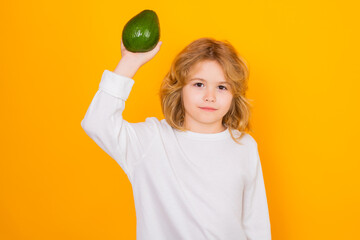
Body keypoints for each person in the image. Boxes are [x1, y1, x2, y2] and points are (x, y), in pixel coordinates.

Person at [81, 37, 271, 240]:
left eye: (222, 87)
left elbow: (255, 223)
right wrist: (130, 62)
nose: (210, 96)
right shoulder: (152, 140)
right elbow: (97, 122)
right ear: (179, 89)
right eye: (199, 84)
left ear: (235, 95)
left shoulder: (244, 145)